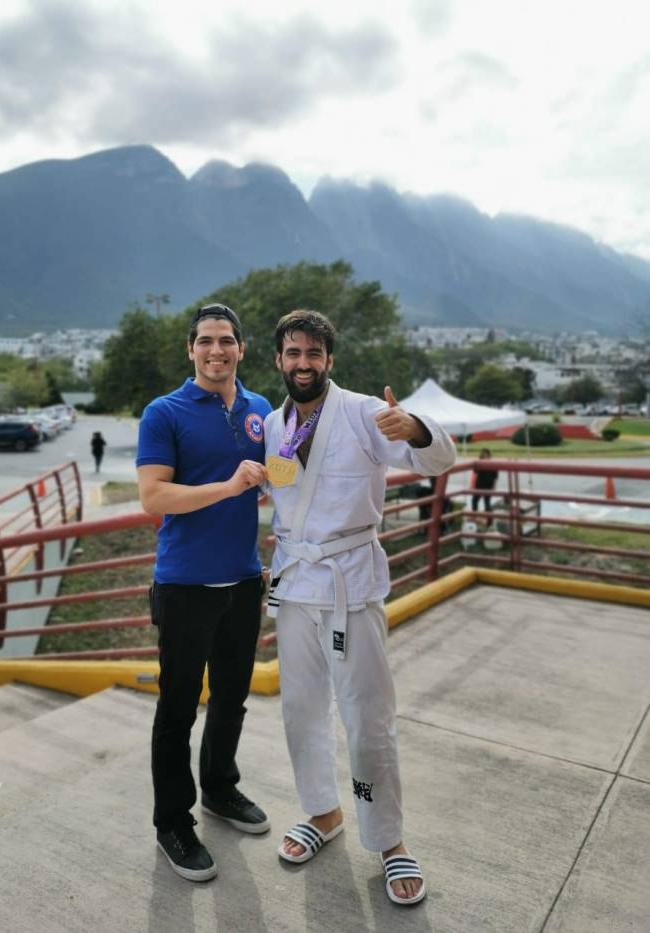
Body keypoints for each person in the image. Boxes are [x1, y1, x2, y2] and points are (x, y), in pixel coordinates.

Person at [263, 310, 456, 906]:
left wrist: (416, 428)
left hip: (350, 584)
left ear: (329, 359)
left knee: (368, 719)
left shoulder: (364, 412)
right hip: (295, 585)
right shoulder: (271, 425)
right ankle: (322, 812)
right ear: (279, 360)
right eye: (293, 353)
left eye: (313, 353)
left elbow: (437, 461)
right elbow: (280, 494)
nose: (303, 364)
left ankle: (389, 840)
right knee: (300, 711)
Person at [136, 303, 272, 884]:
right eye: (206, 341)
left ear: (241, 348)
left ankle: (220, 788)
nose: (217, 350)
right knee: (177, 709)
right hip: (185, 584)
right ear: (190, 349)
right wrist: (229, 486)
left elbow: (279, 476)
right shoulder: (163, 412)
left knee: (232, 699)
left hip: (243, 579)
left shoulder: (261, 409)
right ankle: (173, 822)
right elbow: (153, 497)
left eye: (227, 340)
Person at [471, 448, 499, 526]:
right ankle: (475, 517)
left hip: (487, 486)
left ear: (489, 455)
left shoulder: (493, 464)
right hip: (479, 485)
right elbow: (475, 471)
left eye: (485, 454)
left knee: (487, 503)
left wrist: (494, 487)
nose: (484, 456)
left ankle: (489, 521)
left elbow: (495, 477)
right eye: (483, 454)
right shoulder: (479, 463)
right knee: (475, 500)